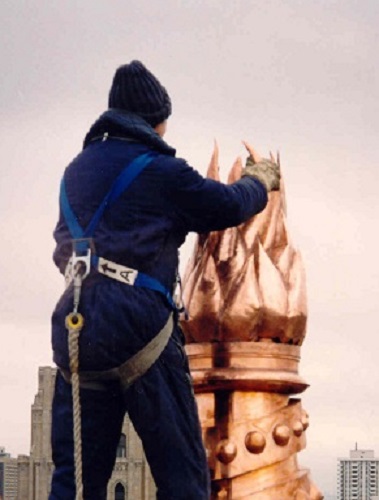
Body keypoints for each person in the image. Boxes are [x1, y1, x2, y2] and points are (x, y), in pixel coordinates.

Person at [49, 60, 280, 500]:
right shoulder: (159, 170)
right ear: (155, 121)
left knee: (75, 480)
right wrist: (259, 181)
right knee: (182, 473)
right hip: (138, 324)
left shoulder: (74, 172)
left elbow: (63, 245)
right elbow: (224, 205)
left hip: (76, 322)